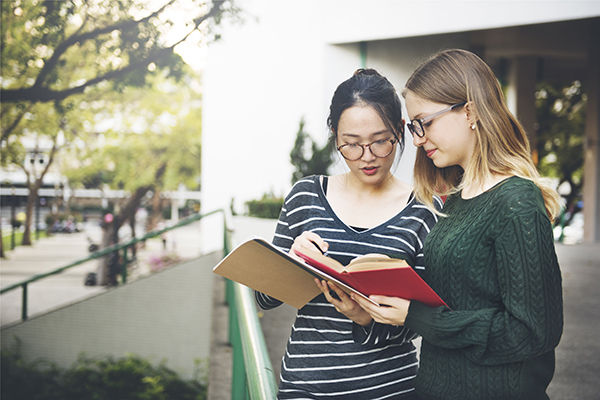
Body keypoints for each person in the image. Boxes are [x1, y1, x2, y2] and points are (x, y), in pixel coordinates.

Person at [353, 49, 564, 400]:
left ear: (469, 112)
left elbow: (533, 333)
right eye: (413, 127)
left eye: (424, 123)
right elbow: (461, 295)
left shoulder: (516, 202)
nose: (417, 139)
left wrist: (418, 317)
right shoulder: (458, 198)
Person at [255, 68, 442, 399]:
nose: (367, 157)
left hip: (389, 389)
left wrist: (364, 318)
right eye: (351, 145)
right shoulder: (306, 197)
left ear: (399, 131)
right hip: (306, 386)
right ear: (334, 135)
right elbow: (265, 299)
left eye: (381, 142)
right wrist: (292, 259)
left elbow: (424, 322)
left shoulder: (423, 212)